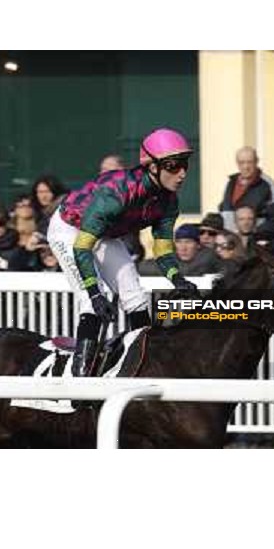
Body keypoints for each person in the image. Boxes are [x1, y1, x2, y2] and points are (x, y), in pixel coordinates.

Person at [48, 127, 199, 377]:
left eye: (185, 164)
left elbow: (162, 248)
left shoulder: (169, 201)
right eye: (173, 166)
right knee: (95, 298)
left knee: (134, 296)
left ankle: (141, 365)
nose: (182, 173)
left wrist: (177, 278)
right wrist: (95, 293)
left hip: (103, 234)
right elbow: (82, 247)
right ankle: (81, 377)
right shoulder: (116, 193)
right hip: (69, 230)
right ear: (152, 166)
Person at [219, 146, 274, 223]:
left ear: (256, 162)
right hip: (230, 232)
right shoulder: (231, 183)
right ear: (237, 163)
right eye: (242, 162)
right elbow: (225, 209)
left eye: (249, 162)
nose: (246, 166)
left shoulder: (268, 184)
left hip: (256, 233)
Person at [138, 224, 222, 277]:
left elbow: (188, 270)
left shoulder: (208, 257)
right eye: (179, 242)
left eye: (188, 242)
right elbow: (142, 267)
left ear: (198, 245)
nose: (183, 248)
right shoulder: (171, 257)